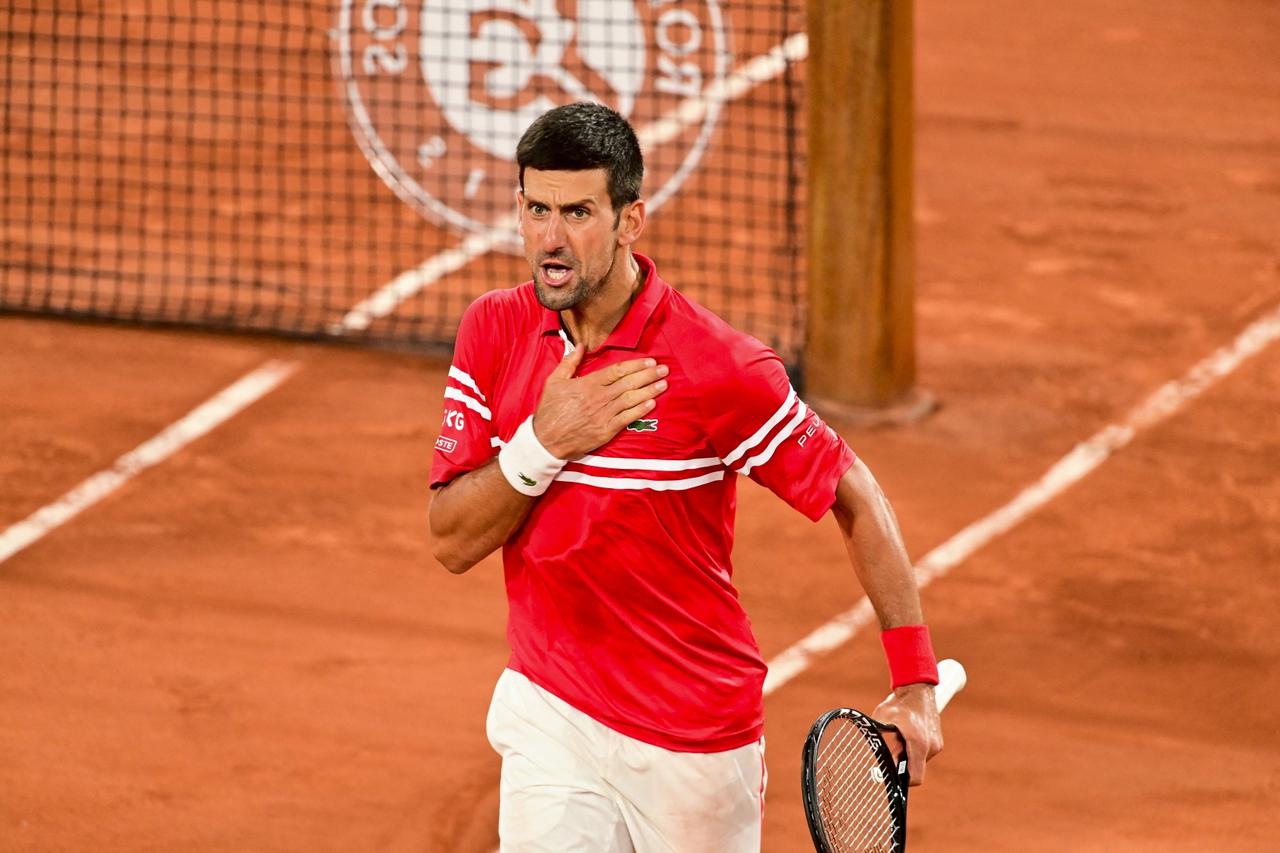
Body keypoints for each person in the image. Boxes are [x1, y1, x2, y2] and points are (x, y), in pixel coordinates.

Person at [428, 102, 943, 852]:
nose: (551, 238)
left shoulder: (719, 368)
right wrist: (543, 442)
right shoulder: (494, 331)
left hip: (692, 742)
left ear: (630, 219)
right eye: (536, 209)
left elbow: (853, 494)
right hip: (552, 708)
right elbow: (450, 538)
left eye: (577, 212)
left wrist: (916, 681)